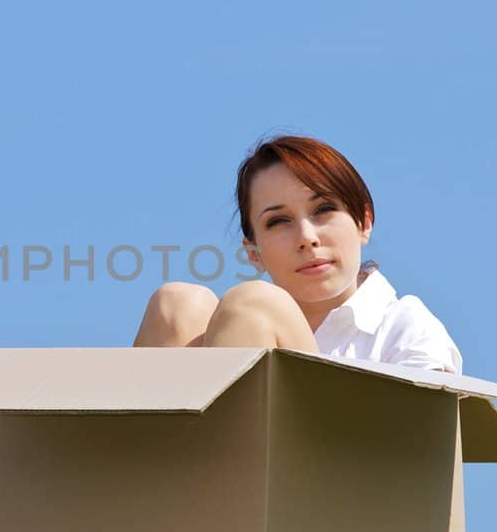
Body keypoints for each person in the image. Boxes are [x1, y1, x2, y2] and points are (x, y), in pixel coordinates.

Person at [131, 135, 462, 373]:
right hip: (200, 462)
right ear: (253, 252)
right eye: (279, 221)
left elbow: (421, 443)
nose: (306, 238)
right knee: (177, 303)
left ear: (364, 222)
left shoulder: (405, 326)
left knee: (255, 304)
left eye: (324, 210)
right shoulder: (233, 328)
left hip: (328, 465)